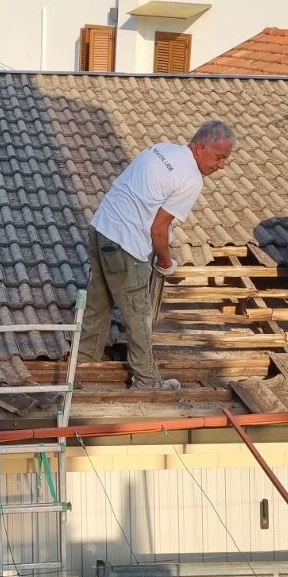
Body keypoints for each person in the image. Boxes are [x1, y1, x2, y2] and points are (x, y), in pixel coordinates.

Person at [79, 121, 236, 389]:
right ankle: (146, 381)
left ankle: (82, 363)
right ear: (200, 148)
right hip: (126, 244)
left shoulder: (161, 149)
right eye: (219, 157)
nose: (221, 165)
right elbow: (158, 229)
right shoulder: (191, 178)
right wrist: (166, 262)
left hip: (101, 229)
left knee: (99, 300)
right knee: (138, 315)